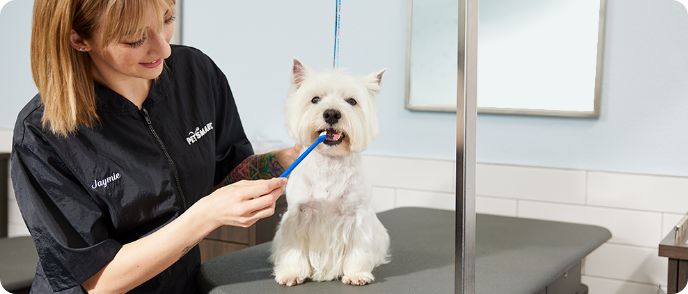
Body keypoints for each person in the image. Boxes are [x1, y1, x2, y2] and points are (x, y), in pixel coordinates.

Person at [10, 0, 299, 292]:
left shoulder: (195, 75)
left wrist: (286, 160)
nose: (164, 49)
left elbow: (227, 176)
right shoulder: (41, 135)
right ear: (79, 39)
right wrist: (205, 215)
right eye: (135, 38)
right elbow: (99, 280)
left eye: (167, 19)